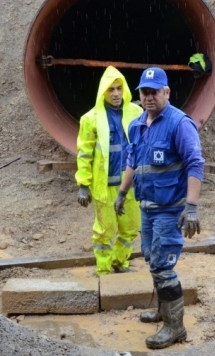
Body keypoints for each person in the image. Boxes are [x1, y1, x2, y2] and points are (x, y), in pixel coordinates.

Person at [114, 67, 204, 349]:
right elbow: (133, 161)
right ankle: (164, 310)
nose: (149, 97)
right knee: (153, 259)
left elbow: (195, 164)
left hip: (170, 209)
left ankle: (175, 327)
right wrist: (121, 193)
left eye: (155, 92)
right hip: (147, 208)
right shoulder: (137, 125)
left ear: (167, 92)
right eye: (144, 92)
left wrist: (191, 207)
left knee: (164, 267)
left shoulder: (180, 124)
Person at [75, 65, 143, 276]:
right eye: (111, 89)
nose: (115, 94)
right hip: (103, 185)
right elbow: (84, 153)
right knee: (104, 231)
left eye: (119, 88)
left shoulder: (136, 112)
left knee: (131, 227)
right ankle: (103, 270)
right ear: (103, 91)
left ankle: (118, 262)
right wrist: (83, 185)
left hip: (129, 184)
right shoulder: (90, 118)